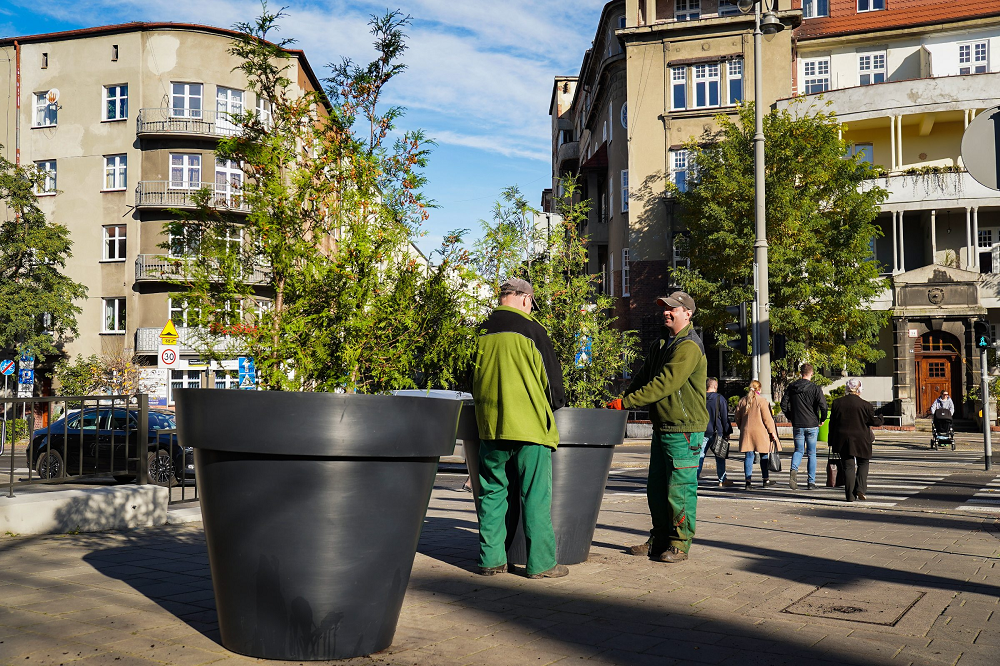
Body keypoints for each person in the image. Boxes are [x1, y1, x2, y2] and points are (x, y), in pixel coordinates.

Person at [471, 278, 567, 578]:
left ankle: (491, 560)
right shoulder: (533, 330)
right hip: (529, 428)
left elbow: (467, 380)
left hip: (490, 427)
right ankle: (541, 564)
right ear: (526, 299)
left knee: (491, 493)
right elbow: (555, 388)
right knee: (535, 496)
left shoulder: (479, 332)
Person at [607, 291, 708, 564]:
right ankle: (660, 538)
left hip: (684, 429)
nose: (667, 311)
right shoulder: (661, 343)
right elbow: (643, 377)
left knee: (680, 488)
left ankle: (679, 543)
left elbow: (665, 383)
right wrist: (622, 400)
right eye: (665, 307)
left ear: (687, 313)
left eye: (673, 308)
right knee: (657, 488)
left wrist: (626, 402)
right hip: (664, 426)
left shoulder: (688, 346)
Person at [829, 378, 883, 502]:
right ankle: (860, 488)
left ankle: (849, 496)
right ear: (859, 389)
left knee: (848, 467)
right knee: (863, 463)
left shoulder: (837, 403)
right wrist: (881, 418)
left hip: (843, 439)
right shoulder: (865, 405)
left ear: (847, 388)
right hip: (862, 439)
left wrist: (831, 441)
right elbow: (873, 421)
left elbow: (832, 423)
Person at [780, 363, 828, 491]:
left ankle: (793, 470)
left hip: (798, 424)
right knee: (812, 453)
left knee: (798, 450)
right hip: (812, 424)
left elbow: (783, 404)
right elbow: (824, 406)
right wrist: (821, 419)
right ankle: (811, 482)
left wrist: (790, 416)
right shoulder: (815, 388)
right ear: (811, 373)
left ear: (800, 373)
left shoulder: (792, 387)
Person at [735, 380, 780, 489]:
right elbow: (767, 419)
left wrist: (741, 427)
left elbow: (737, 417)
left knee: (749, 456)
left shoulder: (743, 401)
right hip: (761, 432)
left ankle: (748, 481)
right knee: (764, 455)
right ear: (759, 389)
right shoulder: (762, 401)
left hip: (747, 432)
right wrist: (772, 432)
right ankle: (765, 479)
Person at [700, 377, 733, 487]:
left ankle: (694, 478)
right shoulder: (720, 399)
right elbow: (724, 417)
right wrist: (727, 432)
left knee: (700, 456)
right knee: (720, 456)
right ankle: (722, 479)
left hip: (702, 431)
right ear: (714, 386)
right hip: (717, 431)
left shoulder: (700, 398)